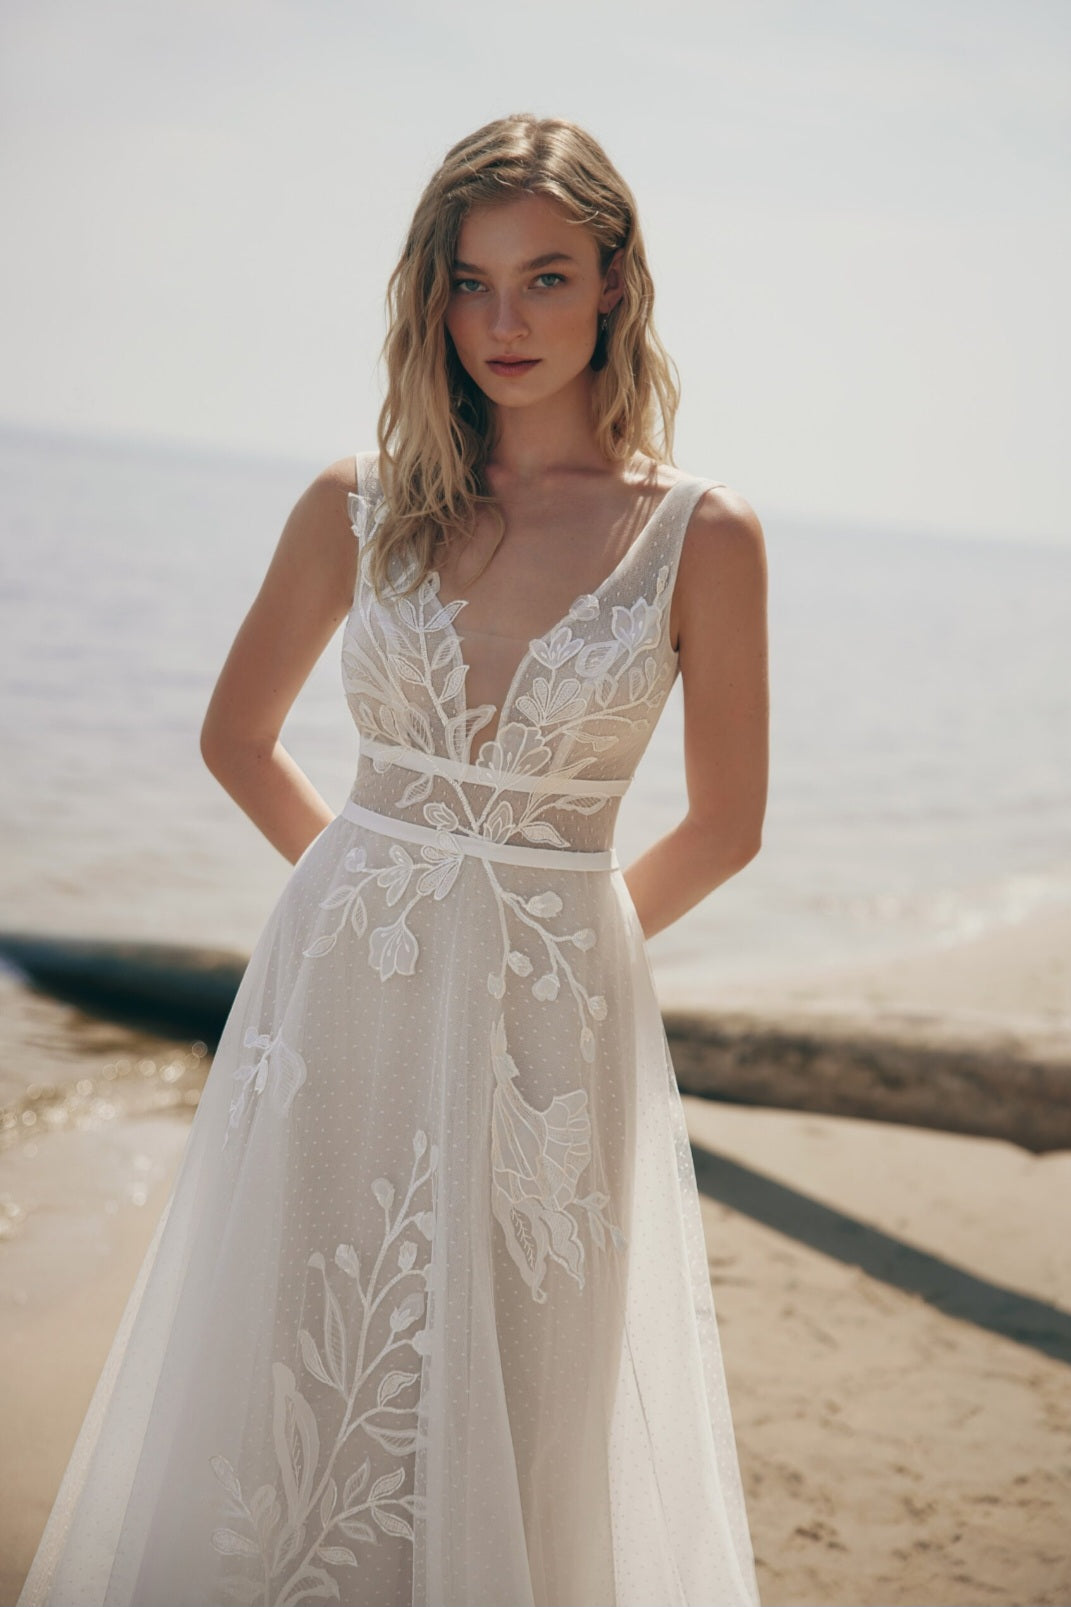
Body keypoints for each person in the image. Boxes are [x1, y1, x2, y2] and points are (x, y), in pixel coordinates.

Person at [17, 113, 768, 1607]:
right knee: (299, 1358)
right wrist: (386, 907)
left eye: (546, 278)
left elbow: (728, 823)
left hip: (553, 1025)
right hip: (343, 1004)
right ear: (431, 295)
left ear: (615, 285)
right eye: (470, 281)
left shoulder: (701, 535)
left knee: (530, 1378)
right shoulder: (354, 505)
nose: (505, 321)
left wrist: (548, 944)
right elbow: (239, 738)